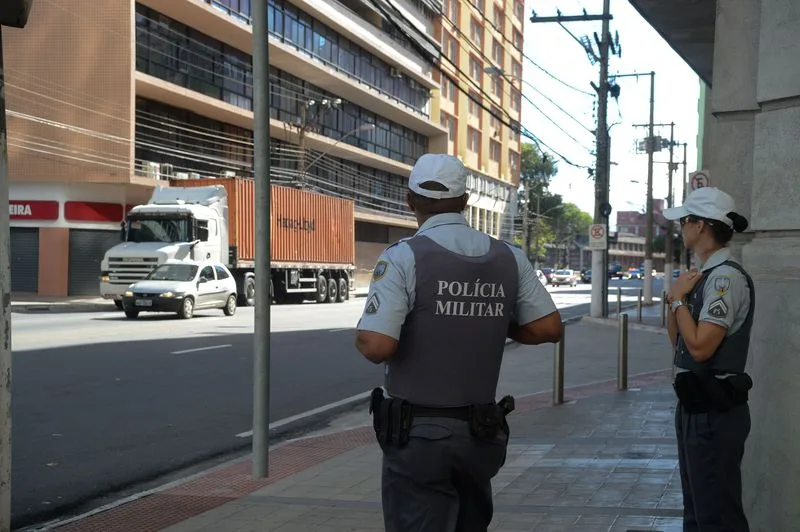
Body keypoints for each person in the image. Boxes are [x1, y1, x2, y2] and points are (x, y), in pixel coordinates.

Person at [354, 153, 564, 532]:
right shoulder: (509, 257)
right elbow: (549, 328)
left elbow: (377, 345)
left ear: (410, 200)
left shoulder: (403, 257)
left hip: (417, 436)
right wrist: (493, 320)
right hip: (481, 435)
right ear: (466, 202)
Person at [662, 186, 754, 532]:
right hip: (695, 405)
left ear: (700, 225)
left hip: (714, 409)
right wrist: (674, 299)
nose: (680, 228)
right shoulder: (702, 277)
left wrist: (677, 301)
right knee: (698, 511)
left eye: (684, 221)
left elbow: (701, 348)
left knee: (716, 515)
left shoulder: (724, 279)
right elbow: (679, 345)